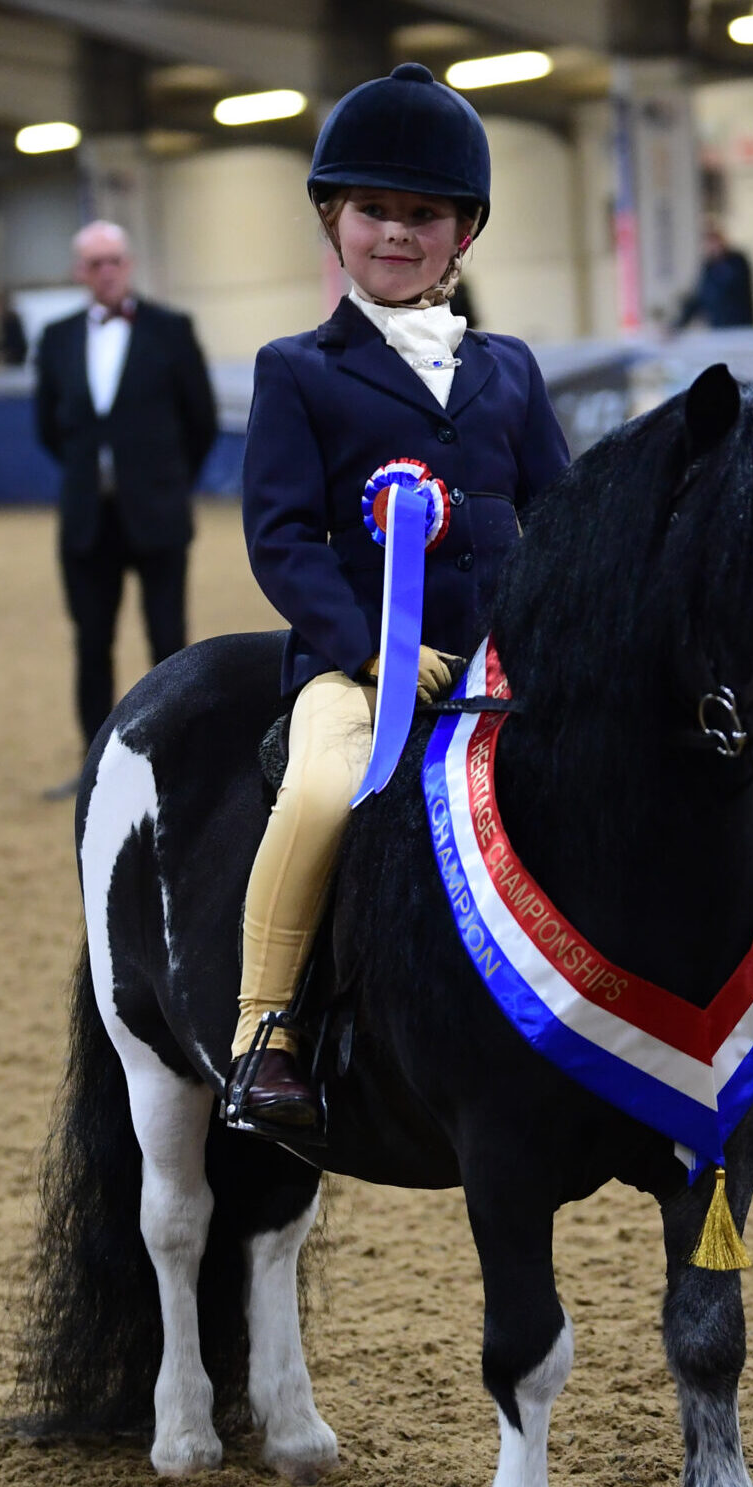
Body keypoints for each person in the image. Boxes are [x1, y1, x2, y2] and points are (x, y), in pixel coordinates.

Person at [230, 62, 571, 1129]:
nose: (394, 234)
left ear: (461, 230)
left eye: (421, 216)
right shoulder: (296, 370)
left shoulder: (508, 370)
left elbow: (558, 519)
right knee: (325, 792)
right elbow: (279, 537)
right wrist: (369, 649)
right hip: (359, 668)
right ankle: (264, 1033)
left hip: (500, 658)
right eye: (372, 211)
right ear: (332, 220)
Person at [34, 222, 217, 791]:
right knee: (92, 642)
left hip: (157, 513)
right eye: (94, 263)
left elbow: (201, 420)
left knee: (168, 640)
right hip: (88, 518)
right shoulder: (57, 338)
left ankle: (178, 758)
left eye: (113, 260)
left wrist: (166, 481)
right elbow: (47, 425)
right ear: (78, 272)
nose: (105, 271)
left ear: (129, 263)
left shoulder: (171, 329)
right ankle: (94, 765)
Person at [674, 221, 753, 331]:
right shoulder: (708, 268)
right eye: (708, 243)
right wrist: (677, 325)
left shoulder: (738, 261)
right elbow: (699, 297)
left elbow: (730, 288)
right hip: (718, 328)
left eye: (714, 242)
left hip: (740, 327)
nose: (712, 247)